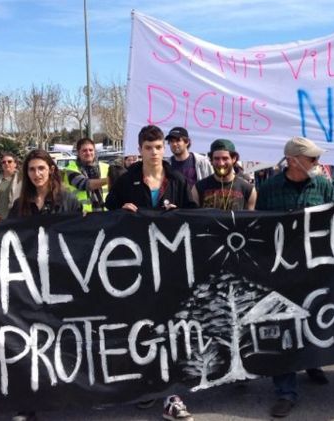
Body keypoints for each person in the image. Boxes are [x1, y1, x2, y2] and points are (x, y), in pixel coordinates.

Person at [105, 125, 195, 421]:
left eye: (159, 147)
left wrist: (177, 211)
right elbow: (108, 214)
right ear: (140, 148)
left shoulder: (178, 180)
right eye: (148, 147)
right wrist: (123, 211)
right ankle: (146, 387)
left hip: (170, 267)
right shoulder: (126, 180)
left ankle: (172, 394)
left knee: (170, 327)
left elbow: (195, 217)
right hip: (136, 268)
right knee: (142, 328)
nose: (155, 153)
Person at [0, 150, 80, 421]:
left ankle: (65, 394)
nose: (37, 174)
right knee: (31, 341)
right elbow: (7, 237)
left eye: (41, 168)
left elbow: (80, 235)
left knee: (63, 338)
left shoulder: (68, 199)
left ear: (51, 169)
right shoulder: (20, 204)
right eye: (32, 169)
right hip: (30, 282)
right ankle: (28, 401)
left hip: (61, 279)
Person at [256, 136, 334, 418]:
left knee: (313, 318)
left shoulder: (324, 185)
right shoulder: (269, 189)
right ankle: (285, 391)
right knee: (283, 325)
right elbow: (259, 229)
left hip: (314, 269)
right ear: (292, 160)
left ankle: (312, 362)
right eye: (312, 159)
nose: (317, 163)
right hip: (281, 271)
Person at [191, 138, 257, 210]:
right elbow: (194, 218)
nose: (221, 163)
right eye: (216, 159)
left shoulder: (248, 189)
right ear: (211, 161)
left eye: (225, 158)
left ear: (233, 159)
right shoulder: (198, 188)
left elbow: (250, 218)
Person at [63, 137, 110, 212]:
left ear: (95, 151)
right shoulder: (71, 169)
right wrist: (109, 179)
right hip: (81, 216)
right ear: (78, 152)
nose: (88, 153)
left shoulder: (106, 167)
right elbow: (84, 184)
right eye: (84, 150)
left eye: (91, 150)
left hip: (105, 214)